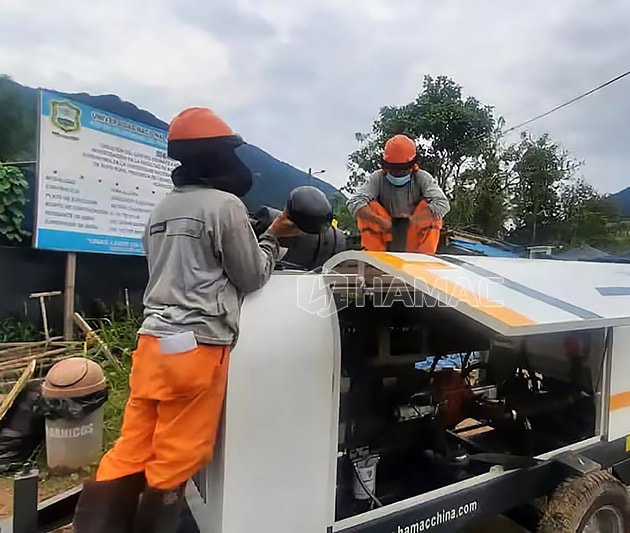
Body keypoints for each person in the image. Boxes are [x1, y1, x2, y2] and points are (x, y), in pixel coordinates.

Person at [72, 107, 303, 533]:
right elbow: (251, 276)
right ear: (219, 158)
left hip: (152, 344)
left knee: (132, 446)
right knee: (175, 455)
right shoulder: (225, 205)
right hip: (197, 348)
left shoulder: (162, 209)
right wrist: (273, 238)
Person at [346, 134, 450, 254]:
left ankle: (424, 258)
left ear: (413, 166)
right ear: (385, 166)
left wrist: (413, 221)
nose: (398, 174)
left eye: (402, 170)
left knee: (432, 211)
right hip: (385, 234)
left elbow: (443, 204)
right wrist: (380, 221)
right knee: (367, 207)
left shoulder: (422, 178)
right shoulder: (378, 178)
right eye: (393, 170)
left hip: (413, 235)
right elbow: (354, 202)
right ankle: (376, 258)